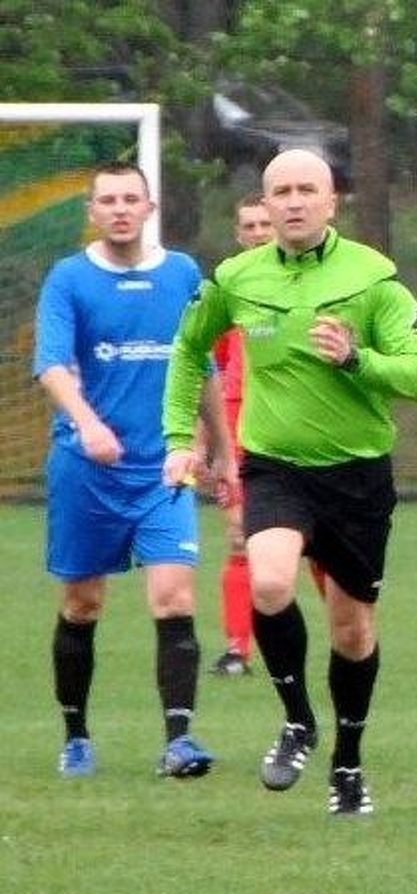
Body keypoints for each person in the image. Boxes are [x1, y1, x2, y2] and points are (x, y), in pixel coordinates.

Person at [160, 149, 417, 817]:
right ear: (265, 201)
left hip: (357, 476)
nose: (291, 202)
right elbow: (189, 349)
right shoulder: (235, 277)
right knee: (269, 580)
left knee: (351, 633)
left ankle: (347, 761)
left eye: (305, 189)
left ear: (331, 200)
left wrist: (356, 359)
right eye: (279, 190)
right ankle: (297, 722)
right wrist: (177, 442)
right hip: (276, 466)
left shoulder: (373, 279)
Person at [34, 162, 221, 781]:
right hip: (86, 469)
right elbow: (53, 366)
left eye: (130, 199)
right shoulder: (69, 280)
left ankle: (180, 741)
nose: (119, 209)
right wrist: (88, 424)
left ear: (150, 207)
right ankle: (77, 735)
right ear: (91, 212)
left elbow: (202, 368)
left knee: (174, 596)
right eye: (107, 200)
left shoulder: (182, 275)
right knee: (83, 603)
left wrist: (221, 449)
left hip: (164, 468)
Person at [200, 193, 276, 678]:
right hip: (238, 428)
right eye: (248, 224)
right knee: (239, 538)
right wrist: (203, 442)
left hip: (293, 431)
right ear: (238, 232)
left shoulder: (304, 286)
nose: (257, 232)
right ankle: (237, 649)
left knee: (315, 546)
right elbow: (211, 368)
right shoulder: (226, 291)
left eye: (264, 223)